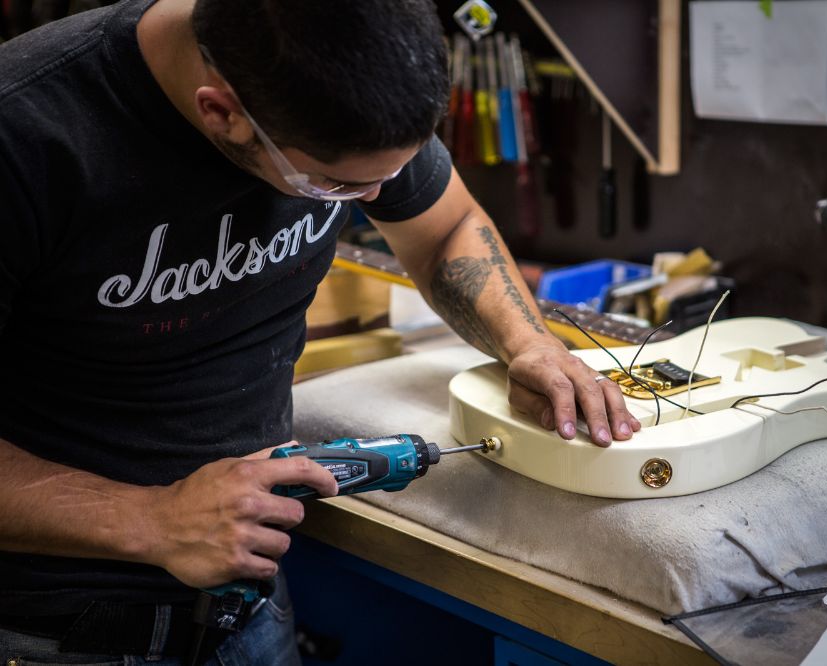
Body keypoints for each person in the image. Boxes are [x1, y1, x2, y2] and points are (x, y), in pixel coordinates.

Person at [0, 0, 641, 663]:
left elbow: (444, 227)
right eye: (335, 185)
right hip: (55, 633)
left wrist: (528, 342)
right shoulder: (25, 135)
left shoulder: (340, 85)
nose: (374, 199)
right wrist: (149, 518)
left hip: (247, 604)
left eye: (388, 177)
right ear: (222, 112)